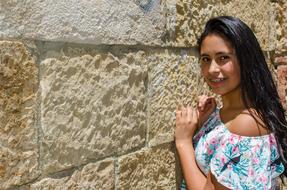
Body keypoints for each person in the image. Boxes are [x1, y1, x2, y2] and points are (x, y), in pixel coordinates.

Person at [175, 16, 287, 190]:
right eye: (206, 59)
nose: (212, 69)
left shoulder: (247, 123)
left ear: (246, 60)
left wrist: (183, 142)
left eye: (223, 58)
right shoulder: (229, 114)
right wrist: (208, 123)